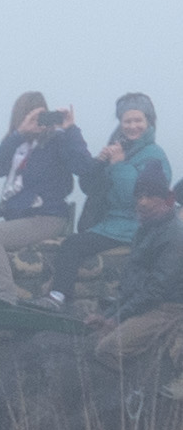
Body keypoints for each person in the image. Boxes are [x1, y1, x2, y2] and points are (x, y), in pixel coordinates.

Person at [45, 93, 172, 303]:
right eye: (127, 121)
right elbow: (90, 188)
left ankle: (58, 296)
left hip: (136, 226)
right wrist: (100, 164)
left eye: (138, 120)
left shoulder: (155, 155)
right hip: (111, 224)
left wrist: (119, 165)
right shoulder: (120, 149)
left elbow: (134, 199)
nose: (132, 126)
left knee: (73, 245)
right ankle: (58, 297)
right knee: (72, 245)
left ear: (149, 122)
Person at [0, 91, 90, 304]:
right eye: (28, 117)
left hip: (47, 216)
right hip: (20, 218)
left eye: (40, 116)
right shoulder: (17, 145)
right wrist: (19, 134)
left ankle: (3, 295)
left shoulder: (57, 141)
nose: (36, 122)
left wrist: (70, 129)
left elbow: (83, 166)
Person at [89, 168, 183, 361]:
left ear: (168, 199)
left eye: (150, 196)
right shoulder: (145, 230)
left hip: (168, 307)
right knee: (91, 339)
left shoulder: (175, 236)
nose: (142, 202)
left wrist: (118, 318)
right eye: (139, 196)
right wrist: (109, 314)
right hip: (147, 303)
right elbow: (133, 283)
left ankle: (139, 389)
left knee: (108, 348)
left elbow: (157, 290)